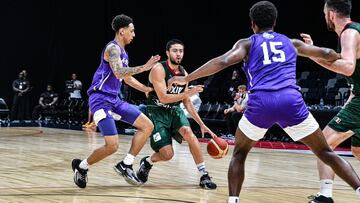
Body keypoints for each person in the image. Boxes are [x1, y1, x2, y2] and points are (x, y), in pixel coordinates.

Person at [168, 1, 360, 202]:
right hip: (291, 102)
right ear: (275, 22)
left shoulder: (247, 43)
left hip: (261, 103)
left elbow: (223, 61)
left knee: (240, 153)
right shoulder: (291, 42)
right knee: (325, 152)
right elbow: (328, 54)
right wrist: (338, 55)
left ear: (253, 24)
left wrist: (186, 79)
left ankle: (233, 200)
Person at [71, 14, 160, 188]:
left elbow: (126, 79)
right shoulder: (112, 49)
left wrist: (146, 89)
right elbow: (120, 72)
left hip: (115, 99)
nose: (134, 34)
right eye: (132, 31)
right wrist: (145, 67)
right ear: (122, 31)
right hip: (100, 100)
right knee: (112, 146)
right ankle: (81, 167)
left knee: (147, 125)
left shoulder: (124, 53)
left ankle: (126, 164)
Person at [136, 39, 217, 189]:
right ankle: (147, 162)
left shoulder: (184, 73)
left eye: (181, 51)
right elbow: (163, 98)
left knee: (189, 133)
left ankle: (204, 174)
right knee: (167, 154)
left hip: (174, 111)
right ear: (168, 53)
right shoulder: (159, 69)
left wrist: (202, 124)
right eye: (175, 51)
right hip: (157, 111)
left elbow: (187, 102)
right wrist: (189, 92)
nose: (178, 54)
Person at [300, 0, 360, 202]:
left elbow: (348, 67)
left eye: (325, 13)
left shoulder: (349, 33)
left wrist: (313, 55)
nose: (325, 16)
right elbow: (355, 78)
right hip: (358, 97)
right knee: (357, 150)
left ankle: (325, 196)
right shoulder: (353, 31)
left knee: (324, 144)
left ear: (332, 14)